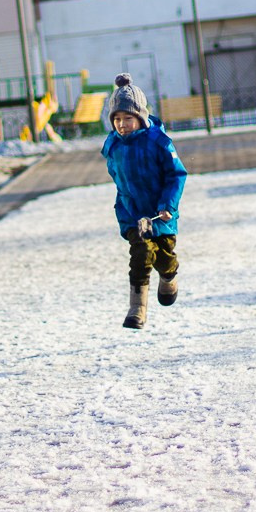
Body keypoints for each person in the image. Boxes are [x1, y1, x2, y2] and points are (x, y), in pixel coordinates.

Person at [102, 74, 188, 330]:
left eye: (127, 118)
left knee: (163, 257)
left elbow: (176, 175)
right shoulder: (113, 146)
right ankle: (137, 310)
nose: (122, 124)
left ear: (140, 117)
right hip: (131, 212)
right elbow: (118, 179)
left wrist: (167, 205)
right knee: (140, 253)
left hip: (160, 214)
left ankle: (169, 276)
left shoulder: (158, 142)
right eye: (116, 119)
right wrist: (124, 208)